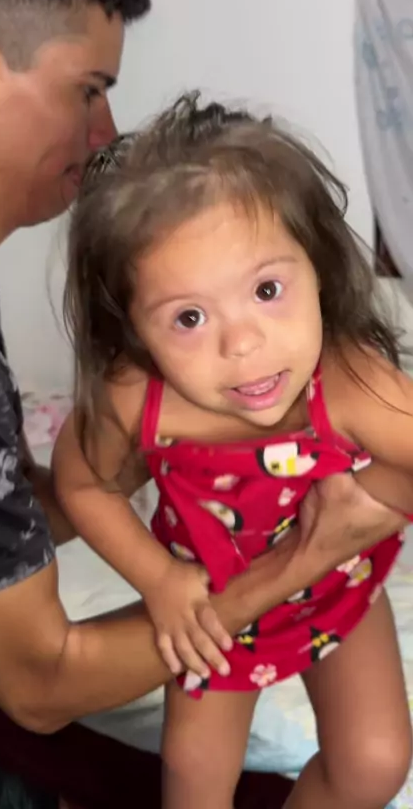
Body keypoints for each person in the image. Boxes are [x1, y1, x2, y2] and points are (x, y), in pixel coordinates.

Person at [0, 0, 404, 750]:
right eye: (89, 89)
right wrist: (295, 556)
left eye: (268, 289)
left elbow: (3, 510)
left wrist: (144, 453)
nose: (107, 131)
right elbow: (40, 686)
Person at [54, 93, 413, 809]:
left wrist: (376, 502)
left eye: (268, 289)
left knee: (375, 764)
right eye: (189, 317)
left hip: (337, 583)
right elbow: (85, 486)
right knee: (193, 780)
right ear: (133, 328)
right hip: (212, 608)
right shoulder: (137, 400)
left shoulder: (349, 383)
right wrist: (159, 580)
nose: (242, 344)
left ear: (319, 269)